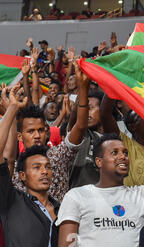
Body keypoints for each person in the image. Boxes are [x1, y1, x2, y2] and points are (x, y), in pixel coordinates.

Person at [12, 62, 89, 203]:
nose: (37, 135)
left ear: (46, 132)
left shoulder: (59, 155)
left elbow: (81, 126)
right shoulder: (15, 169)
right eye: (30, 131)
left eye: (40, 130)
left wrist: (83, 89)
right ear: (19, 136)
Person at [0, 84, 59, 247]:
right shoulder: (12, 201)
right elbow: (6, 158)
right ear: (22, 176)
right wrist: (12, 108)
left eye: (47, 167)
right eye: (36, 167)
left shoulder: (63, 209)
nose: (44, 171)